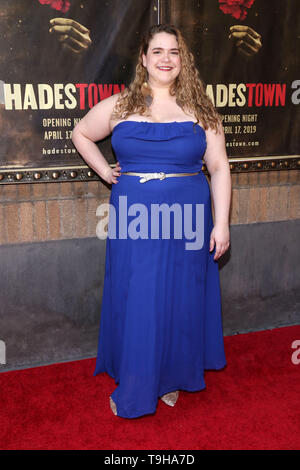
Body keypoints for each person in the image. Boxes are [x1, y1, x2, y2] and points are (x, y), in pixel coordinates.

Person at [71, 24, 231, 419]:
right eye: (156, 51)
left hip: (189, 217)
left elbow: (219, 167)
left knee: (181, 296)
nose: (165, 58)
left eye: (173, 52)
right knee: (139, 295)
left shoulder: (201, 109)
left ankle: (170, 375)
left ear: (183, 60)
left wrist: (222, 223)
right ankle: (138, 379)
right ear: (143, 59)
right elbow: (81, 133)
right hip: (136, 216)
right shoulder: (122, 105)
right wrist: (106, 172)